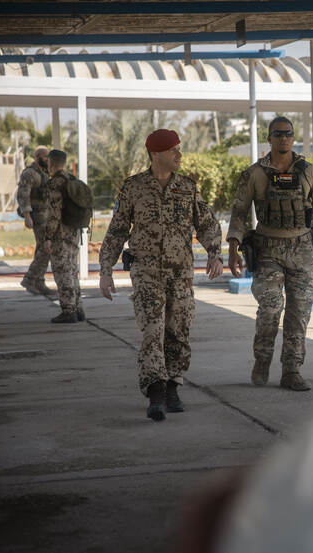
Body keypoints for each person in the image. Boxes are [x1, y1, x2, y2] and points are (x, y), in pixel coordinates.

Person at [98, 129, 223, 421]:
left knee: (178, 330)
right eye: (173, 151)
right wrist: (105, 271)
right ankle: (155, 390)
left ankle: (173, 385)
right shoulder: (133, 188)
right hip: (146, 272)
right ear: (156, 155)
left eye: (179, 149)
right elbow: (116, 231)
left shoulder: (188, 188)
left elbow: (206, 223)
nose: (179, 155)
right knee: (153, 329)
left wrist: (215, 253)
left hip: (181, 273)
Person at [227, 116, 313, 392]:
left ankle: (292, 370)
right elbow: (240, 213)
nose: (283, 138)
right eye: (278, 134)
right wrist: (233, 248)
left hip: (302, 251)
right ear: (269, 138)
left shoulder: (308, 172)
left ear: (293, 137)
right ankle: (262, 360)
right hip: (268, 251)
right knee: (270, 308)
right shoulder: (255, 173)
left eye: (288, 134)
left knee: (298, 313)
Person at [42, 149, 84, 323]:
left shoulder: (55, 184)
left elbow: (54, 214)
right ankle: (79, 309)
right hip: (74, 232)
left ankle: (68, 311)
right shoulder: (72, 180)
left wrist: (48, 237)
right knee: (73, 270)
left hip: (60, 234)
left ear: (51, 163)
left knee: (62, 271)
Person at [17, 146, 53, 295]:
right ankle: (30, 279)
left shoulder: (44, 173)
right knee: (45, 249)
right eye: (45, 157)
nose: (47, 160)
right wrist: (27, 216)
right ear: (37, 156)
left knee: (43, 249)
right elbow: (23, 195)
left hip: (46, 216)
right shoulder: (29, 173)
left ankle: (39, 281)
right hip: (37, 217)